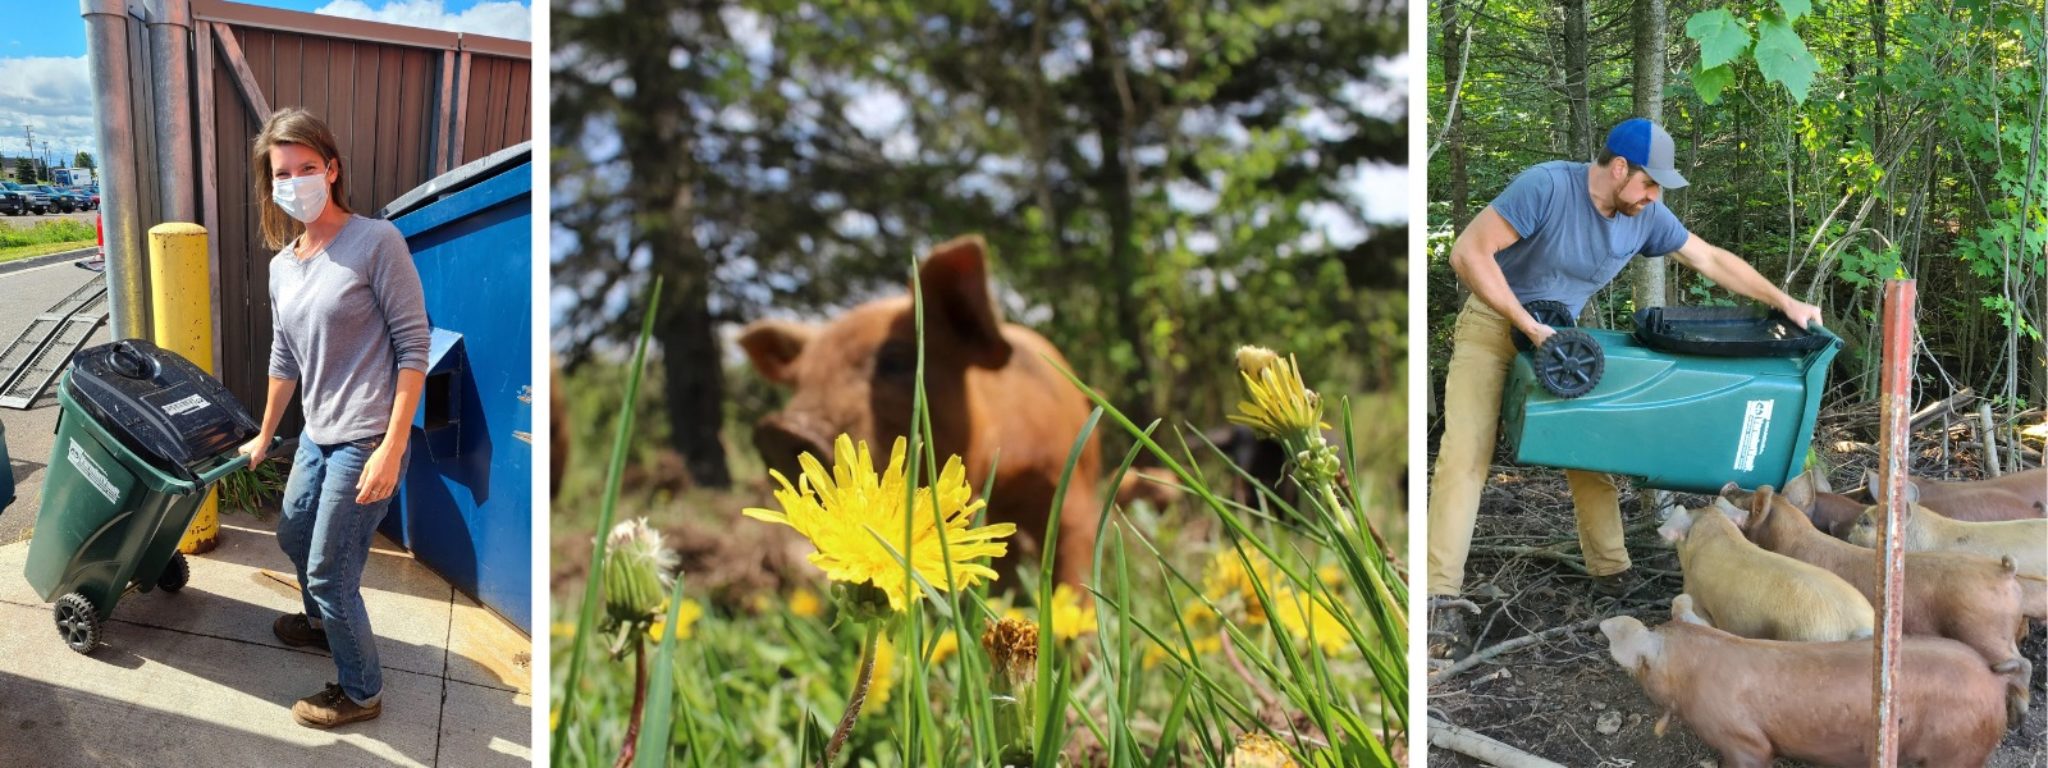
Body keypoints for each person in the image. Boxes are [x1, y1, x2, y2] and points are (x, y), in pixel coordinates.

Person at [1427, 118, 1823, 653]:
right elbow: (1467, 253)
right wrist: (1526, 325)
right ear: (1618, 168)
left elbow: (1708, 258)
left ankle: (1611, 573)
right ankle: (1438, 599)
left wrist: (1785, 302)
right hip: (1495, 329)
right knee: (1465, 458)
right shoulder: (1546, 186)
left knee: (1589, 450)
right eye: (1649, 183)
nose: (1654, 196)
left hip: (1561, 344)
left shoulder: (1645, 215)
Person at [236, 107, 431, 728]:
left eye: (306, 168)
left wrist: (393, 446)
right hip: (316, 434)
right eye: (281, 173)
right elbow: (283, 356)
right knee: (293, 535)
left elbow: (413, 347)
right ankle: (324, 626)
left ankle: (362, 690)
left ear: (332, 169)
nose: (294, 181)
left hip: (366, 436)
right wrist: (265, 434)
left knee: (330, 570)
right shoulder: (282, 265)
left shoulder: (377, 242)